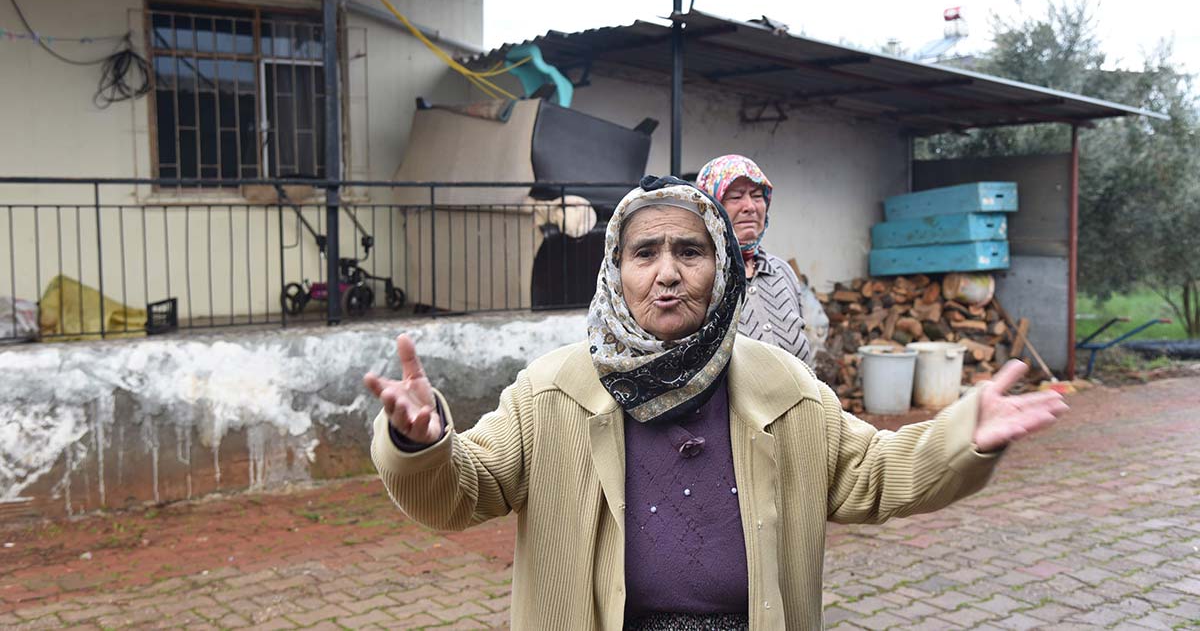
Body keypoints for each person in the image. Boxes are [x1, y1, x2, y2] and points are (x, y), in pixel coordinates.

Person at [364, 175, 1068, 630]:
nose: (667, 272)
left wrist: (965, 432)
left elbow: (872, 472)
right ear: (616, 273)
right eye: (644, 253)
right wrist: (421, 444)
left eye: (689, 251)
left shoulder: (781, 387)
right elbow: (464, 491)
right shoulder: (553, 391)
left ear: (722, 267)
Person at [696, 154, 818, 367]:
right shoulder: (700, 275)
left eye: (757, 196)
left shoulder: (782, 271)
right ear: (711, 206)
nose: (750, 207)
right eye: (735, 197)